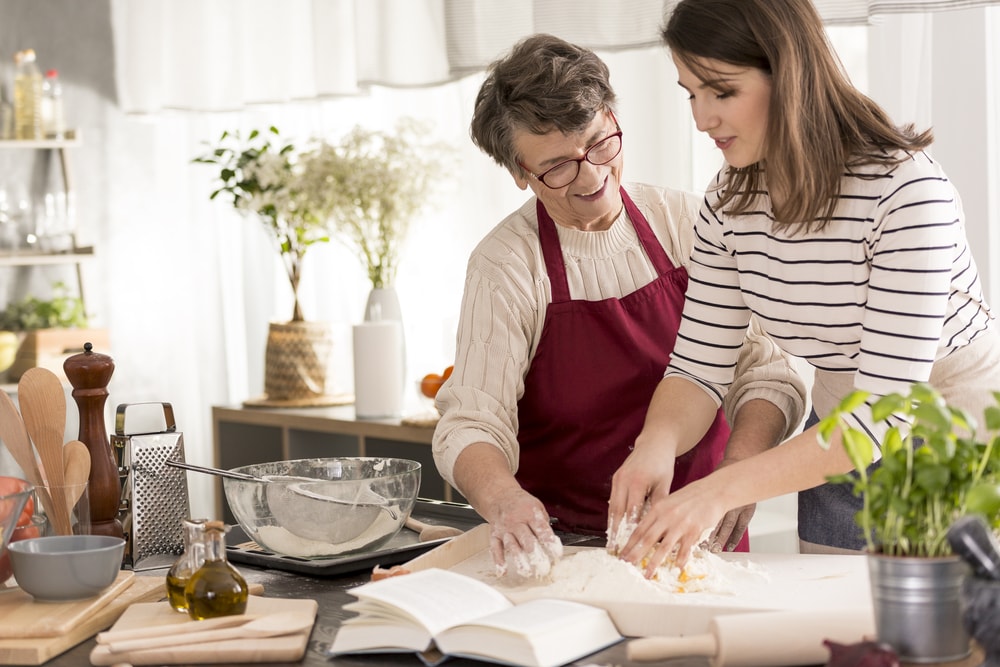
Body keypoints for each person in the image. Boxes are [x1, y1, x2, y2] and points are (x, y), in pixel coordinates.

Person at [610, 0, 1000, 575]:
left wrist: (721, 487)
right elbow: (698, 367)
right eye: (690, 93)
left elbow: (886, 413)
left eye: (721, 91)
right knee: (837, 641)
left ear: (788, 74)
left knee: (940, 649)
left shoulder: (907, 192)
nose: (700, 118)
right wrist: (654, 446)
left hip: (949, 433)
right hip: (836, 432)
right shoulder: (729, 201)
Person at [431, 33, 806, 578]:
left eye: (599, 143)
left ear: (610, 116)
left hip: (705, 536)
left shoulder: (690, 224)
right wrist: (506, 503)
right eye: (557, 166)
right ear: (517, 173)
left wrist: (739, 473)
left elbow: (769, 368)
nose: (591, 175)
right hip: (566, 553)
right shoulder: (505, 266)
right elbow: (471, 422)